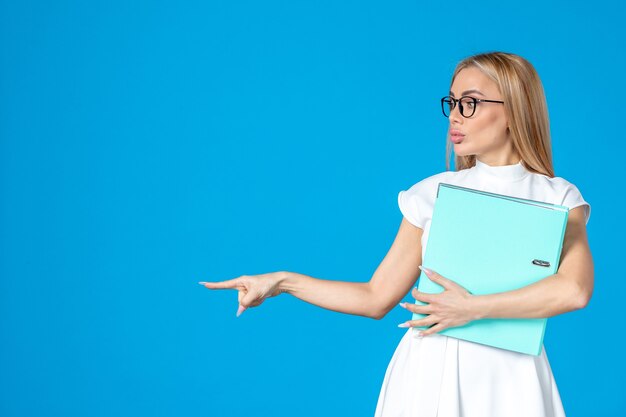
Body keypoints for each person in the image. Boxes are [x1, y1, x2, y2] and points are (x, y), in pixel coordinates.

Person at [199, 51, 593, 417]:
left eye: (469, 103)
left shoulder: (558, 198)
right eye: (452, 103)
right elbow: (375, 297)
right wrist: (281, 282)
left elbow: (573, 290)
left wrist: (471, 308)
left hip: (511, 376)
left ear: (514, 110)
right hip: (429, 370)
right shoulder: (431, 193)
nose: (454, 116)